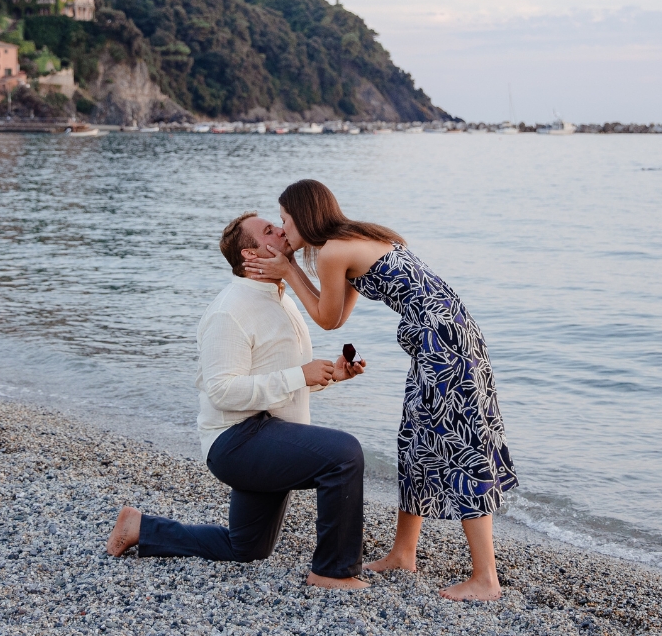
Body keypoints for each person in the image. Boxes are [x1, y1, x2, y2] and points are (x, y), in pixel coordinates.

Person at [244, 179, 518, 601]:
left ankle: (486, 578)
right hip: (446, 337)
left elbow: (324, 318)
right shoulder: (356, 238)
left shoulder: (333, 252)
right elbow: (336, 316)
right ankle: (403, 553)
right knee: (415, 443)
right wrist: (294, 269)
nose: (284, 230)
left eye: (284, 220)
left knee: (460, 447)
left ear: (304, 214)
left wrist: (289, 270)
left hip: (443, 343)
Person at [106, 211, 369, 589]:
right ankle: (331, 571)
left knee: (247, 547)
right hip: (237, 440)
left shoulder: (282, 300)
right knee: (344, 455)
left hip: (268, 432)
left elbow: (276, 378)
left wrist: (329, 375)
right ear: (251, 256)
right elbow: (222, 390)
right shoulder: (230, 310)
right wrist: (300, 375)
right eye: (269, 230)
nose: (282, 231)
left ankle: (141, 528)